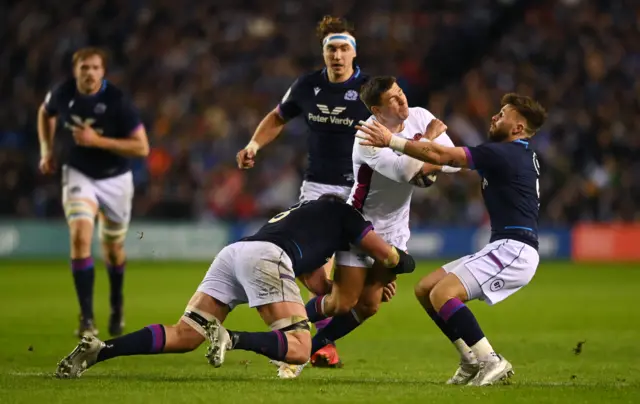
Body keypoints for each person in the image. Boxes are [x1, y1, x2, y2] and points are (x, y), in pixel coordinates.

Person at [55, 194, 415, 379]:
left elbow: (320, 286)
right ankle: (233, 338)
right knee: (301, 347)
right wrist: (388, 275)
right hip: (268, 258)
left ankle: (102, 350)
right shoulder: (348, 216)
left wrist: (344, 287)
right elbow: (387, 255)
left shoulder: (306, 213)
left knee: (186, 334)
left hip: (235, 253)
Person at [356, 91, 547, 386]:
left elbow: (443, 155)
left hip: (515, 249)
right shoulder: (512, 154)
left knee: (443, 294)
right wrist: (422, 168)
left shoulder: (504, 153)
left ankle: (490, 359)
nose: (495, 116)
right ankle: (470, 360)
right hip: (504, 245)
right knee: (425, 289)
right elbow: (445, 162)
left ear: (518, 128)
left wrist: (392, 141)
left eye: (503, 114)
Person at [235, 15, 372, 367]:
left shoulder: (372, 90)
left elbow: (401, 124)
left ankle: (313, 339)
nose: (337, 55)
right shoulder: (307, 86)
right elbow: (278, 116)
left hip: (361, 190)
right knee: (316, 278)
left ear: (354, 53)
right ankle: (317, 342)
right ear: (323, 52)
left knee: (367, 294)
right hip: (318, 188)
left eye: (343, 48)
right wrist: (253, 145)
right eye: (331, 48)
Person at [299, 76, 460, 371]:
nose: (403, 102)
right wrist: (430, 141)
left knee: (370, 304)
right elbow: (405, 172)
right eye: (393, 100)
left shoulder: (420, 116)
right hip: (359, 225)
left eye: (401, 93)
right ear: (377, 110)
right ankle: (289, 323)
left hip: (396, 230)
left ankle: (313, 345)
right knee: (341, 303)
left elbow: (453, 160)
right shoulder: (367, 136)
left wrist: (428, 154)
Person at [37, 47, 149, 338]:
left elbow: (142, 147)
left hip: (116, 179)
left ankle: (116, 304)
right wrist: (47, 151)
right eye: (84, 67)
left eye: (95, 68)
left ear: (103, 72)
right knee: (80, 236)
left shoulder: (118, 101)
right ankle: (87, 318)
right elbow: (44, 112)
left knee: (112, 249)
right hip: (78, 173)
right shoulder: (62, 93)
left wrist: (98, 141)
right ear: (76, 71)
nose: (89, 73)